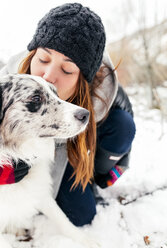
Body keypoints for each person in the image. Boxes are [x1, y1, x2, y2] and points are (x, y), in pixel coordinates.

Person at [0, 3, 136, 227]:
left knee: (122, 125)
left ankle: (92, 175)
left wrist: (111, 173)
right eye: (43, 59)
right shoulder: (8, 82)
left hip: (75, 149)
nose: (48, 75)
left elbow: (124, 144)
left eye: (67, 70)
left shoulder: (105, 94)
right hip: (32, 152)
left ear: (83, 79)